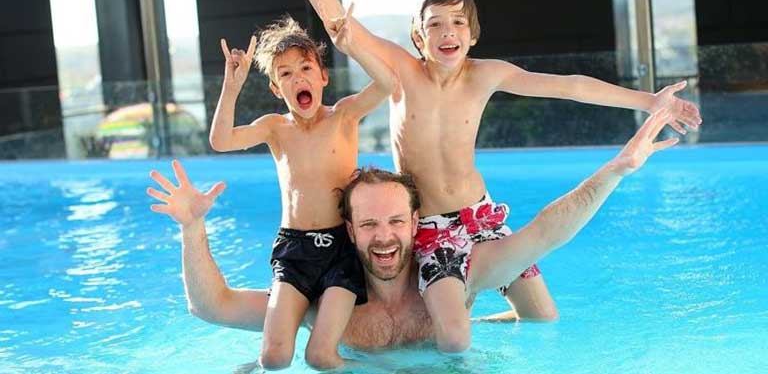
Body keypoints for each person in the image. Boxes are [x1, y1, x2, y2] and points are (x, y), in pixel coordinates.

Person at [243, 0, 703, 351]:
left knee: (542, 316)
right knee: (454, 338)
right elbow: (337, 21)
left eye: (458, 22)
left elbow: (571, 86)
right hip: (432, 230)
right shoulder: (403, 71)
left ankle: (474, 319)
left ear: (473, 34)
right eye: (435, 24)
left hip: (482, 217)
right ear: (418, 38)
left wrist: (648, 101)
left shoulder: (487, 74)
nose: (448, 32)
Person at [148, 108, 680, 356]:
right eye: (370, 224)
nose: (385, 237)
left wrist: (617, 170)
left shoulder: (455, 278)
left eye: (396, 221)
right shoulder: (323, 301)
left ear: (415, 223)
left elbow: (544, 233)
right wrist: (192, 229)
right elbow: (211, 307)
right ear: (349, 232)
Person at [200, 12, 395, 369]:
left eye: (305, 69)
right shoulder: (275, 128)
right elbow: (221, 140)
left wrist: (352, 46)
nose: (297, 79)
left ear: (322, 77)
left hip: (342, 250)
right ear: (276, 88)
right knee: (274, 357)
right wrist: (232, 85)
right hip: (295, 250)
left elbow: (387, 82)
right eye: (285, 74)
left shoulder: (344, 116)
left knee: (320, 356)